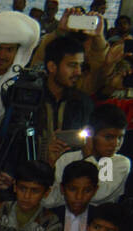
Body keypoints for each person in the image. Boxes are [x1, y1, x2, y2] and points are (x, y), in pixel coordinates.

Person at [45, 105, 130, 208]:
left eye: (120, 137)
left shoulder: (119, 162)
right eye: (109, 137)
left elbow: (98, 195)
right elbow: (50, 201)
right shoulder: (67, 159)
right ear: (90, 133)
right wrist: (51, 164)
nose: (116, 143)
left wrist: (88, 157)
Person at [33, 36, 94, 165]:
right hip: (33, 174)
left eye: (80, 66)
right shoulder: (31, 99)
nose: (78, 72)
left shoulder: (82, 102)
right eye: (72, 65)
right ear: (52, 66)